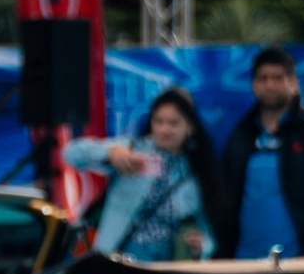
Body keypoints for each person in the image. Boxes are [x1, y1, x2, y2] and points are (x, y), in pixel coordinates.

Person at [219, 44, 304, 260]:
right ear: (254, 85)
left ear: (294, 84)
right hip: (243, 262)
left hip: (296, 263)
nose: (270, 84)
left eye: (278, 78)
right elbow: (225, 199)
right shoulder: (241, 133)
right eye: (263, 78)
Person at [90, 86, 220, 262]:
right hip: (117, 261)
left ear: (190, 127)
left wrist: (204, 246)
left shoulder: (196, 171)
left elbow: (209, 233)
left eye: (174, 123)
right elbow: (71, 153)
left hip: (165, 269)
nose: (165, 129)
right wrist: (110, 153)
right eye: (159, 121)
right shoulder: (133, 150)